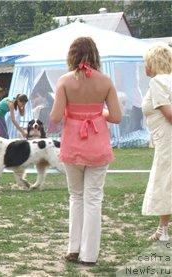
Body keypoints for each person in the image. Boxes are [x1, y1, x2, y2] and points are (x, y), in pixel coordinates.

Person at [49, 37, 122, 266]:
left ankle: (73, 248)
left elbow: (55, 117)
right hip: (98, 145)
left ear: (72, 55)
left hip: (73, 145)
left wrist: (76, 114)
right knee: (93, 199)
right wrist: (98, 116)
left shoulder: (64, 81)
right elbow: (117, 117)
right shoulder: (106, 81)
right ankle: (89, 255)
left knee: (76, 196)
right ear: (95, 54)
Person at [141, 43, 172, 242]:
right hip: (163, 139)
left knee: (165, 181)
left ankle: (163, 230)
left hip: (167, 141)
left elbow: (169, 114)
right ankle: (163, 228)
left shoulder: (157, 83)